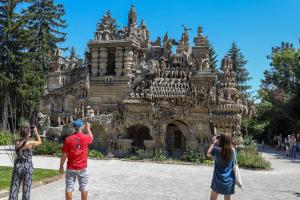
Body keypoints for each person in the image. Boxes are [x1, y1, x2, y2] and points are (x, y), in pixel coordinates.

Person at [59, 119, 93, 200]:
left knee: (69, 188)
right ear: (81, 127)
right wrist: (88, 128)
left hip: (71, 167)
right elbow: (91, 138)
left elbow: (64, 155)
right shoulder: (85, 137)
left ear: (74, 127)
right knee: (84, 188)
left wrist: (61, 166)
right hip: (82, 167)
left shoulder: (68, 139)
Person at [9, 124, 42, 200]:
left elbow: (21, 139)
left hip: (18, 165)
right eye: (29, 132)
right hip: (27, 166)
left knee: (14, 185)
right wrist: (36, 131)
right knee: (26, 187)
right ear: (27, 134)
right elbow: (40, 142)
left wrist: (25, 130)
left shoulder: (17, 142)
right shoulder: (30, 143)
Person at [207, 134, 236, 200]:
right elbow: (233, 164)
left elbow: (208, 154)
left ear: (221, 140)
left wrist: (213, 143)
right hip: (229, 179)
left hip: (218, 178)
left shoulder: (217, 150)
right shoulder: (232, 150)